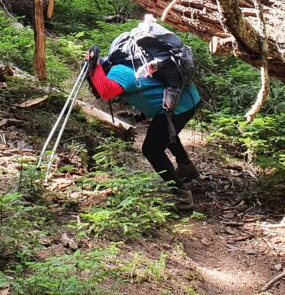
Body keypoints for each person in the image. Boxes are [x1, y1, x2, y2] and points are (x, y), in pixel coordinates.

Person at [85, 44, 201, 213]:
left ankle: (182, 197)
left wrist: (94, 68)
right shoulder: (121, 66)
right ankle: (186, 168)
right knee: (166, 135)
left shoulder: (118, 72)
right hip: (187, 99)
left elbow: (106, 91)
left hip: (179, 106)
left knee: (151, 149)